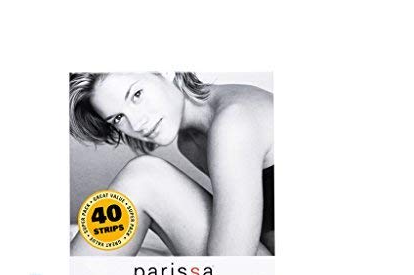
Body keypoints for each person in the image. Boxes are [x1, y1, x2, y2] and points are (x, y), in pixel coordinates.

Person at [69, 72, 274, 256]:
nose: (136, 124)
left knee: (143, 178)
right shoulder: (189, 141)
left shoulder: (233, 122)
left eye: (136, 95)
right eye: (118, 118)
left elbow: (231, 265)